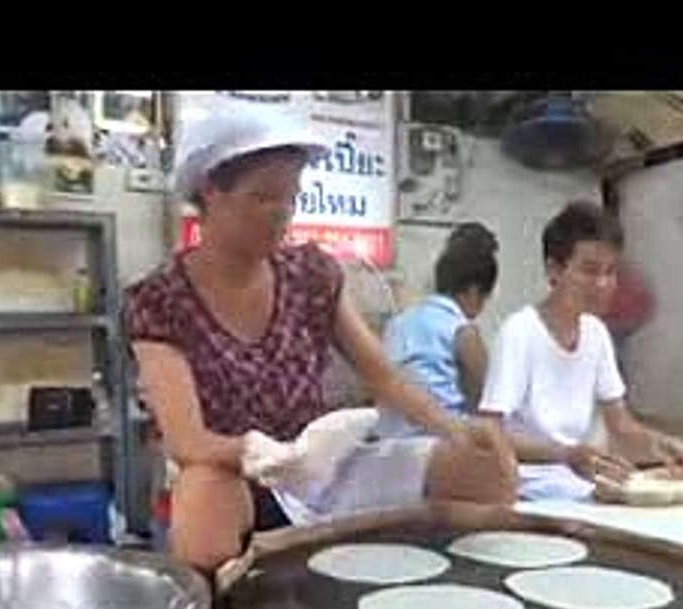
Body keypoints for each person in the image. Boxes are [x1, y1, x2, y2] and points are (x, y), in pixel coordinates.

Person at [125, 99, 517, 573]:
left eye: (291, 196)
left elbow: (384, 379)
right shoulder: (160, 301)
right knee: (202, 500)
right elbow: (189, 442)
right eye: (265, 196)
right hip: (240, 475)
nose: (282, 212)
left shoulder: (311, 275)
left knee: (486, 472)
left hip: (327, 472)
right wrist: (273, 455)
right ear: (210, 190)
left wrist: (455, 428)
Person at [478, 200, 683, 502]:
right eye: (589, 270)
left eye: (610, 272)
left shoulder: (596, 334)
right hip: (529, 488)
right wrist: (567, 455)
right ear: (553, 269)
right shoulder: (519, 332)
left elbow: (620, 424)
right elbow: (490, 434)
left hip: (583, 483)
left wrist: (662, 444)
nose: (602, 284)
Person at [376, 222, 499, 437]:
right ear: (474, 291)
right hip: (439, 448)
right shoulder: (463, 332)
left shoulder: (397, 323)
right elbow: (484, 406)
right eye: (485, 299)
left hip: (386, 444)